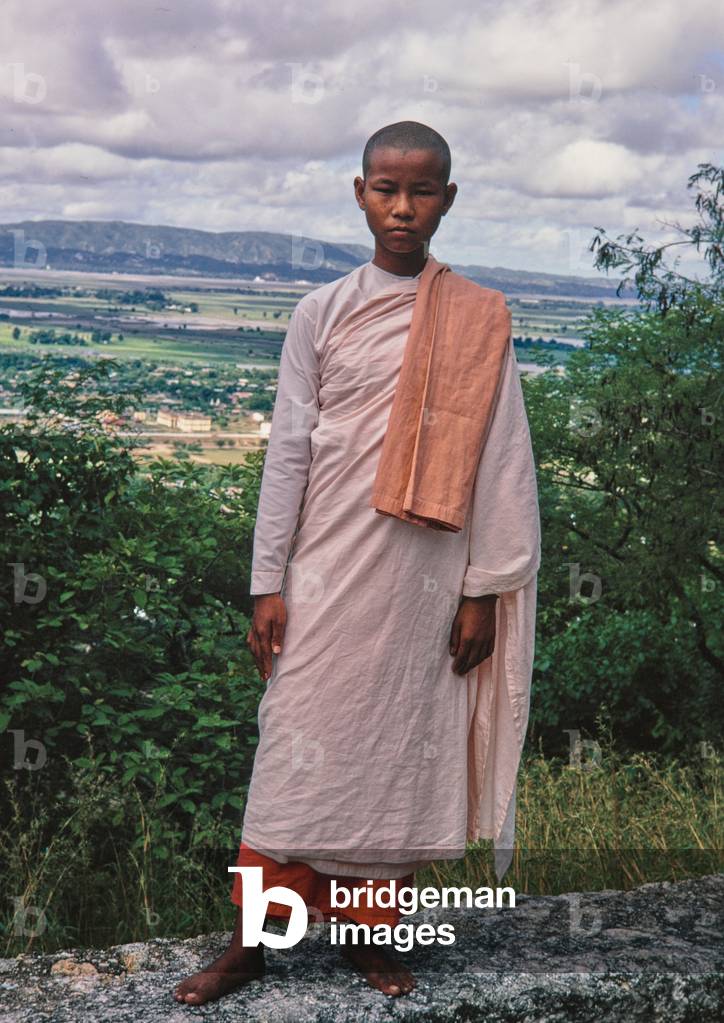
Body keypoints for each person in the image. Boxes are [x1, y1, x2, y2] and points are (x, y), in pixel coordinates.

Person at [173, 120, 540, 1006]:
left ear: (448, 199)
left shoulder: (478, 319)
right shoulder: (323, 311)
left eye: (422, 191)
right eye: (386, 188)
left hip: (426, 581)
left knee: (395, 752)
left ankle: (369, 939)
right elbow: (288, 456)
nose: (403, 208)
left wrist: (484, 590)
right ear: (360, 192)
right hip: (326, 571)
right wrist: (268, 582)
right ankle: (251, 944)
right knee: (292, 750)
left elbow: (500, 458)